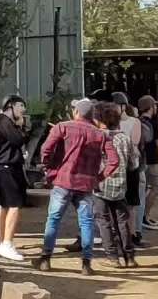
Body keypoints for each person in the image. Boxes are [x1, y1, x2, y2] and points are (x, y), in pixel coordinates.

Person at [33, 99, 117, 275]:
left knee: (54, 219)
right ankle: (86, 263)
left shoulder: (62, 127)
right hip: (86, 184)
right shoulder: (101, 134)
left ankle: (45, 258)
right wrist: (99, 177)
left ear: (77, 112)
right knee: (86, 223)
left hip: (63, 181)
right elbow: (114, 161)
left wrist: (49, 171)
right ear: (92, 115)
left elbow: (45, 150)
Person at [92, 103, 137, 268]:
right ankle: (130, 257)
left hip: (99, 186)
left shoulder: (96, 137)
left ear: (98, 119)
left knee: (103, 221)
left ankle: (112, 257)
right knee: (122, 221)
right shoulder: (124, 137)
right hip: (120, 186)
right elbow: (133, 164)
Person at [0, 96, 29, 261]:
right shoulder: (4, 122)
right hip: (6, 168)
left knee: (5, 205)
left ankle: (2, 241)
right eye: (21, 106)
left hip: (4, 167)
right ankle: (7, 243)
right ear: (11, 106)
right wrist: (22, 127)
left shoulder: (0, 121)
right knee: (14, 205)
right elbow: (18, 139)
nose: (23, 110)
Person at [110, 93, 143, 243]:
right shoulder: (109, 122)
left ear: (123, 106)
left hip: (130, 166)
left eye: (114, 106)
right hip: (115, 166)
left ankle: (133, 232)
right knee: (115, 201)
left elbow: (134, 141)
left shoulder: (134, 121)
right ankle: (117, 232)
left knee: (131, 203)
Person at [137, 95, 158, 232]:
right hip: (151, 159)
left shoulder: (138, 121)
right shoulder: (153, 123)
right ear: (150, 107)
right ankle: (144, 216)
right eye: (155, 105)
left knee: (145, 188)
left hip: (142, 159)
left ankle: (143, 215)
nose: (156, 108)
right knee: (156, 188)